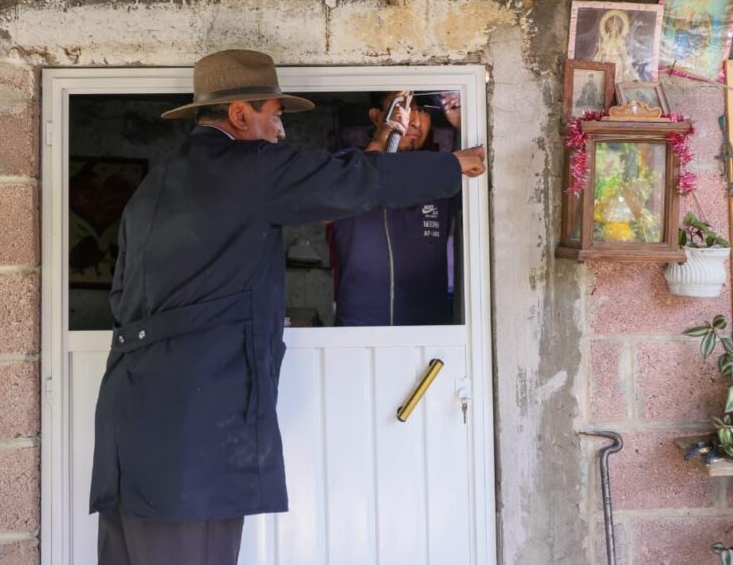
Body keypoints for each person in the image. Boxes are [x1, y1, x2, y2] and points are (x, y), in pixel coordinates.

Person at [89, 49, 486, 565]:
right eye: (275, 115)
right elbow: (351, 179)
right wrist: (451, 165)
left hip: (129, 423)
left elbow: (121, 298)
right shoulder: (245, 167)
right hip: (194, 434)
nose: (280, 132)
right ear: (240, 115)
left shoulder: (155, 186)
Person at [329, 90, 463, 326]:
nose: (413, 120)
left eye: (423, 110)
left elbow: (490, 194)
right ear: (376, 116)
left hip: (428, 329)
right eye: (403, 106)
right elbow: (324, 205)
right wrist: (382, 140)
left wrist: (465, 125)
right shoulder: (347, 164)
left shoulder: (441, 173)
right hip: (360, 327)